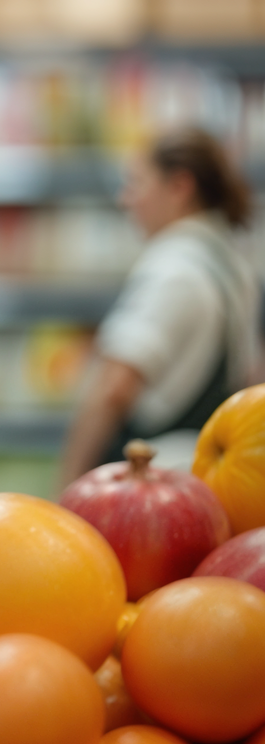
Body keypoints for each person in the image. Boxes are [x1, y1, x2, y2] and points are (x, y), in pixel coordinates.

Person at [58, 126, 260, 486]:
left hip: (145, 485)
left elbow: (113, 389)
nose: (125, 199)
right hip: (198, 480)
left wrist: (68, 485)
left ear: (180, 187)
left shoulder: (173, 269)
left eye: (135, 184)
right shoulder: (233, 263)